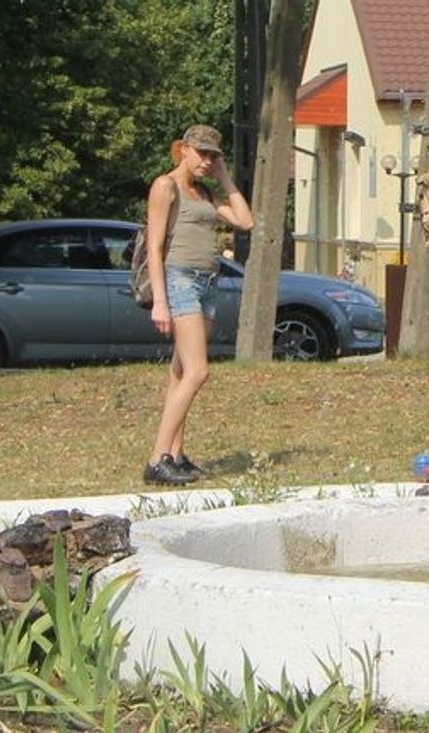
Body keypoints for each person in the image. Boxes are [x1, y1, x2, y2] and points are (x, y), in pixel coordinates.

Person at [142, 124, 253, 486]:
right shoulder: (165, 186)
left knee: (179, 373)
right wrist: (160, 301)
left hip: (207, 282)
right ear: (183, 150)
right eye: (202, 153)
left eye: (213, 156)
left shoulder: (205, 192)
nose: (207, 161)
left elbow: (245, 220)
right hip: (180, 281)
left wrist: (224, 177)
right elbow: (155, 247)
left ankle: (176, 454)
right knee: (197, 371)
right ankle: (157, 459)